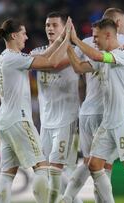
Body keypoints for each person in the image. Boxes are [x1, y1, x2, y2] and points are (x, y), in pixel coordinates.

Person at [61, 8, 124, 203]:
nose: (93, 40)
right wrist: (68, 45)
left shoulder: (122, 53)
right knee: (94, 165)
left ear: (108, 35)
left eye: (96, 37)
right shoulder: (103, 55)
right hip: (106, 120)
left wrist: (76, 40)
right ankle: (71, 199)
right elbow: (80, 67)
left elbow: (96, 57)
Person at [0, 18, 70, 203]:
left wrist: (58, 41)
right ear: (14, 35)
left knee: (7, 172)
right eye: (23, 33)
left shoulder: (5, 56)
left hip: (4, 122)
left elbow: (43, 57)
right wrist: (67, 39)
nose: (26, 37)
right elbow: (50, 63)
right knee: (41, 167)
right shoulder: (14, 58)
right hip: (19, 120)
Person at [29, 12, 82, 203]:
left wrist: (65, 41)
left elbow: (57, 64)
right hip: (46, 122)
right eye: (47, 25)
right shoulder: (37, 52)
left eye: (54, 25)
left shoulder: (74, 50)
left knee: (59, 171)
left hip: (67, 120)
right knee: (46, 174)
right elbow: (45, 62)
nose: (50, 29)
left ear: (64, 28)